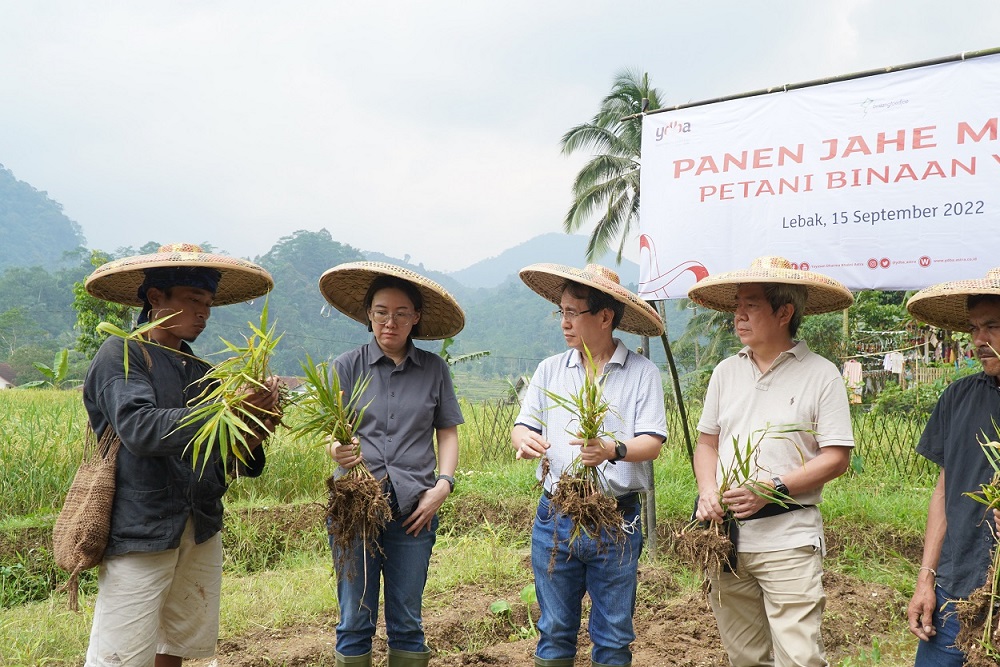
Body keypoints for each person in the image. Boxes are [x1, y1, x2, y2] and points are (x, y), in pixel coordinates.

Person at [81, 243, 281, 667]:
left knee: (177, 647)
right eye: (193, 301)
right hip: (142, 527)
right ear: (156, 299)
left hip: (200, 524)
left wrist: (258, 422)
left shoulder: (204, 372)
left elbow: (233, 458)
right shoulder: (122, 354)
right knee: (122, 655)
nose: (204, 313)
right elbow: (140, 428)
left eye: (208, 304)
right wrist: (225, 409)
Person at [687, 256, 856, 667]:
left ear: (785, 312)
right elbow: (707, 443)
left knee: (799, 657)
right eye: (737, 306)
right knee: (744, 655)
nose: (738, 316)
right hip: (725, 538)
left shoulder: (821, 374)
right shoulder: (726, 372)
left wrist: (773, 488)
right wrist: (708, 490)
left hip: (789, 538)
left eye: (751, 305)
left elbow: (836, 457)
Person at [512, 263, 667, 667]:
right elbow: (524, 424)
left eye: (572, 313)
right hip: (555, 515)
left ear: (604, 317)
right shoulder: (550, 369)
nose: (564, 322)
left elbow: (652, 443)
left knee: (614, 635)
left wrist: (612, 450)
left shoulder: (641, 373)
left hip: (615, 518)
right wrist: (523, 439)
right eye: (560, 311)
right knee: (554, 630)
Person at [317, 262, 465, 667]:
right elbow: (333, 432)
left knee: (407, 620)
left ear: (416, 318)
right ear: (368, 313)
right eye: (382, 311)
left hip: (415, 510)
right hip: (354, 508)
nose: (390, 322)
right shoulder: (347, 366)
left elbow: (447, 432)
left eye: (402, 314)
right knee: (354, 618)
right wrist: (337, 451)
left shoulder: (434, 369)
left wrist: (444, 485)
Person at [905, 268, 1000, 666]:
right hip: (955, 590)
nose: (979, 340)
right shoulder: (958, 398)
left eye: (992, 326)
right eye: (974, 328)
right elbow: (945, 491)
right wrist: (926, 577)